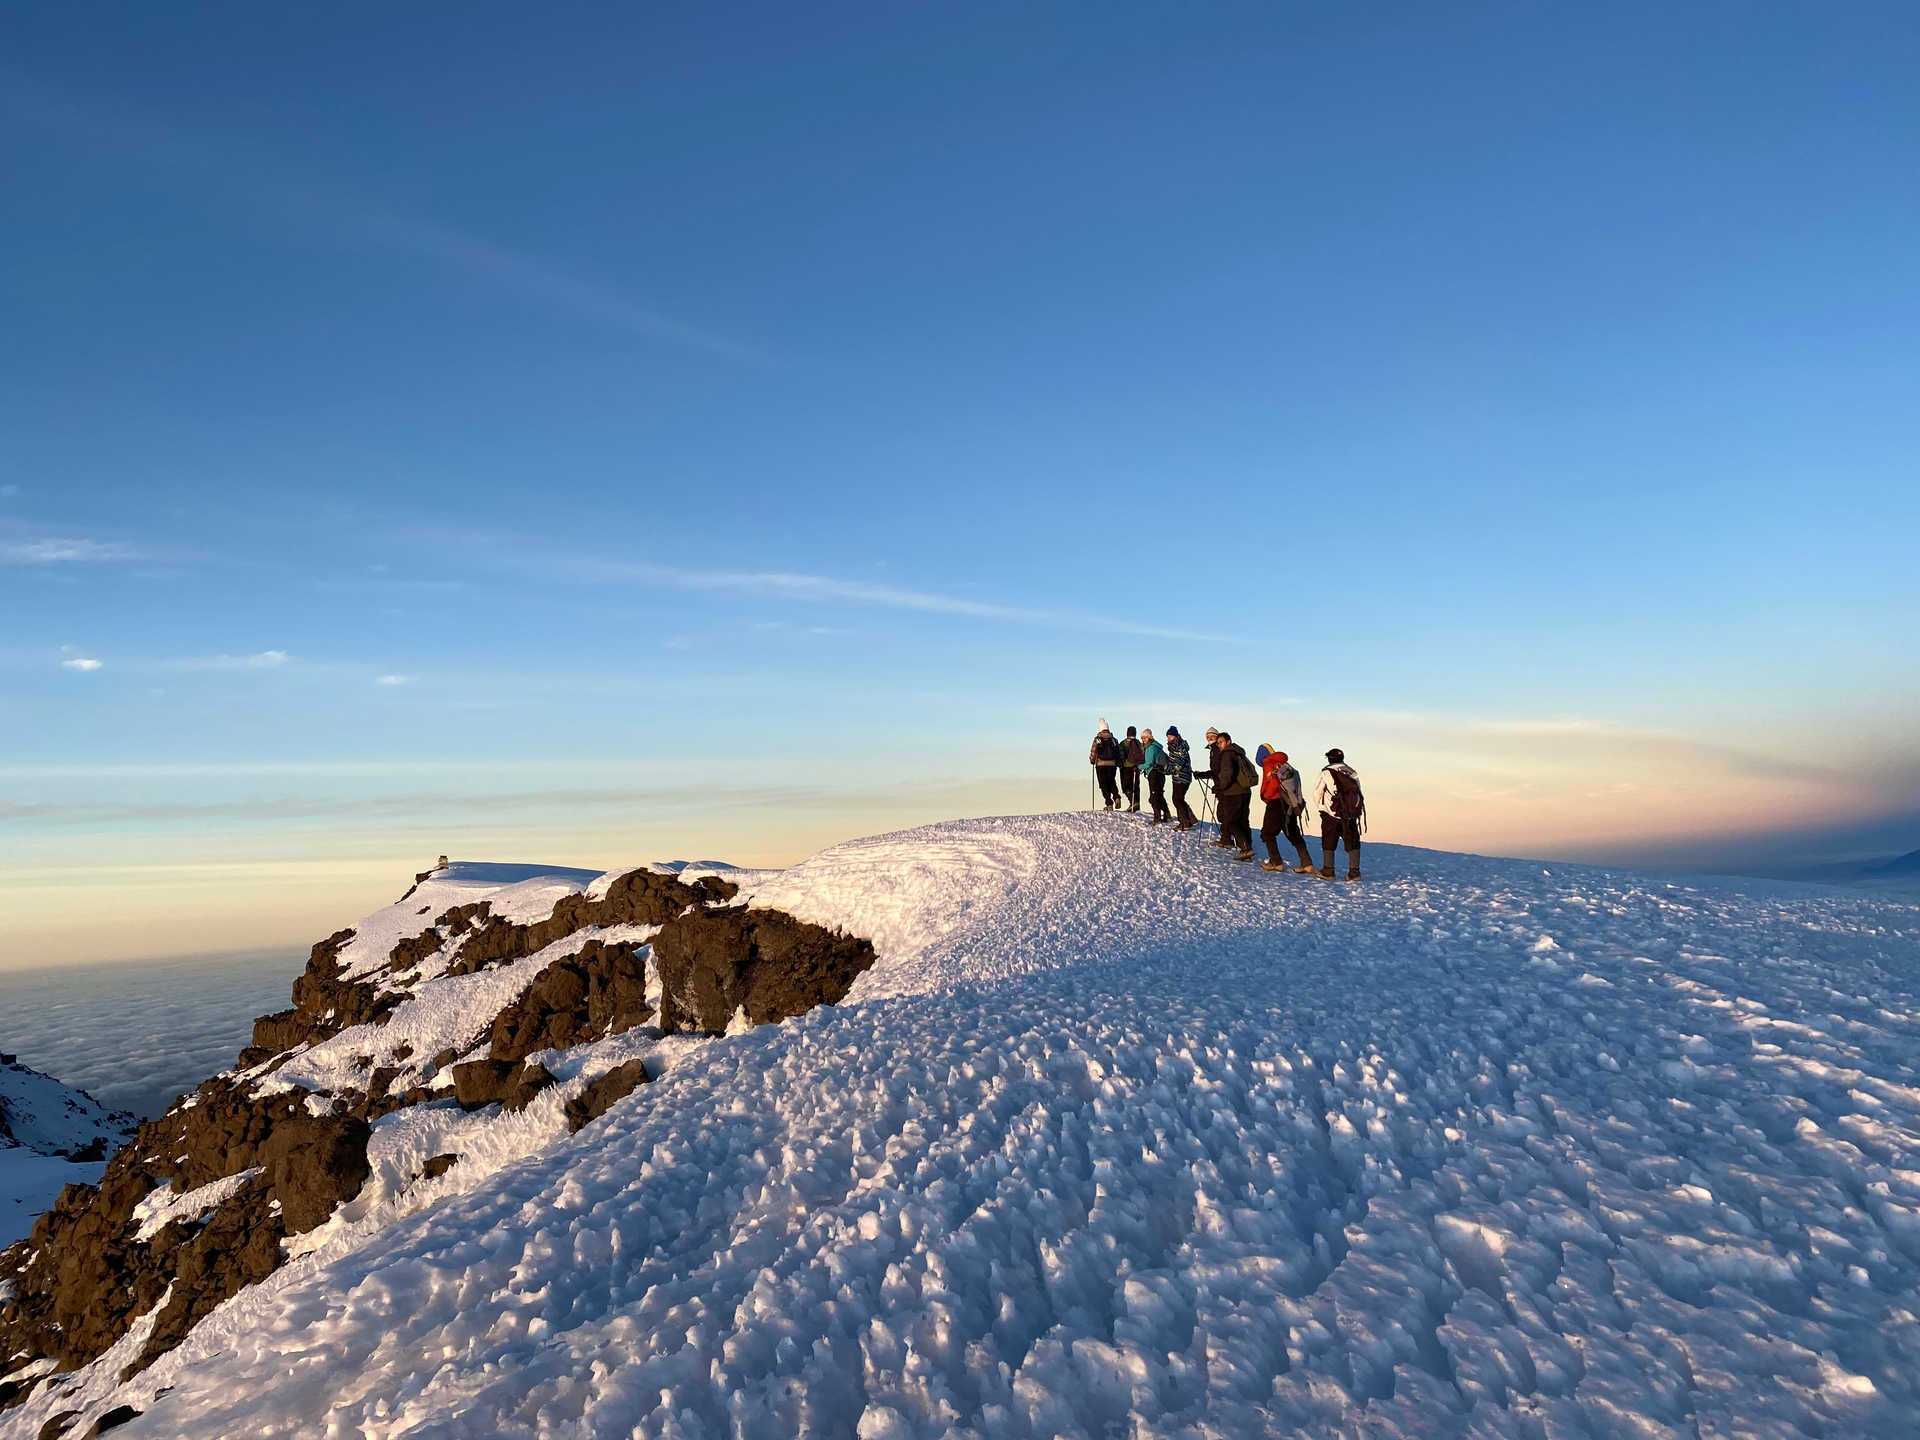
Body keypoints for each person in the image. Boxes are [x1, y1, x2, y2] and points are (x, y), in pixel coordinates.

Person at [1196, 729, 1256, 861]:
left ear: (1228, 741)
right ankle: (1247, 847)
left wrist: (1220, 787)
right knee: (1242, 820)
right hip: (1245, 790)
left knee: (1230, 820)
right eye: (1218, 742)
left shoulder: (1227, 754)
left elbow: (1226, 773)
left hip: (1232, 792)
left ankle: (1245, 848)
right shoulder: (1238, 752)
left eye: (1220, 741)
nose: (1219, 744)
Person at [1254, 745, 1314, 873]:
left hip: (1276, 802)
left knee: (1267, 833)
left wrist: (1265, 796)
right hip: (1289, 802)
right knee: (1292, 832)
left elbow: (1272, 784)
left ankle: (1276, 862)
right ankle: (1307, 863)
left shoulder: (1268, 763)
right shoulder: (1284, 763)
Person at [1314, 747, 1366, 880]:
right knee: (1352, 840)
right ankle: (1354, 872)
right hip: (1349, 813)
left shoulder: (1326, 772)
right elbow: (1358, 791)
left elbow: (1317, 792)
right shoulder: (1351, 771)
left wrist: (1321, 808)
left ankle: (1328, 871)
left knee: (1328, 841)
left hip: (1331, 813)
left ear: (1330, 759)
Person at [1164, 726, 1197, 829]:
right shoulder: (1173, 747)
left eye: (1170, 736)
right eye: (1168, 737)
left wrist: (1168, 770)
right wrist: (1166, 769)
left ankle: (1185, 822)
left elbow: (1178, 764)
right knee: (1178, 799)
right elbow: (1172, 763)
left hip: (1183, 777)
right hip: (1177, 777)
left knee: (1177, 799)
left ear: (1176, 736)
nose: (1168, 739)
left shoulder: (1179, 747)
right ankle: (1188, 820)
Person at [1139, 728, 1170, 824]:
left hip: (1154, 774)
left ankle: (1157, 818)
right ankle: (1166, 813)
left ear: (1149, 737)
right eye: (1142, 738)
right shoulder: (1156, 747)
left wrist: (1138, 767)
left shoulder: (1151, 748)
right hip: (1160, 774)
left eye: (1145, 737)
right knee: (1158, 794)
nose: (1143, 739)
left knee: (1154, 796)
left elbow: (1148, 763)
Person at [1088, 723, 1122, 810]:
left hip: (1100, 764)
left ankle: (1109, 803)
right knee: (1111, 781)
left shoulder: (1098, 739)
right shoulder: (1114, 740)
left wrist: (1092, 760)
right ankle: (1116, 797)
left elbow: (1093, 751)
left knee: (1103, 784)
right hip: (1112, 765)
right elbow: (1118, 752)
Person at [1118, 725, 1144, 813]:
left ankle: (1133, 802)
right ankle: (1137, 805)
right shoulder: (1139, 743)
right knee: (1136, 786)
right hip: (1136, 767)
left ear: (1127, 733)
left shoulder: (1123, 743)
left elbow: (1120, 755)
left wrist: (1121, 764)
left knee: (1126, 786)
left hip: (1126, 768)